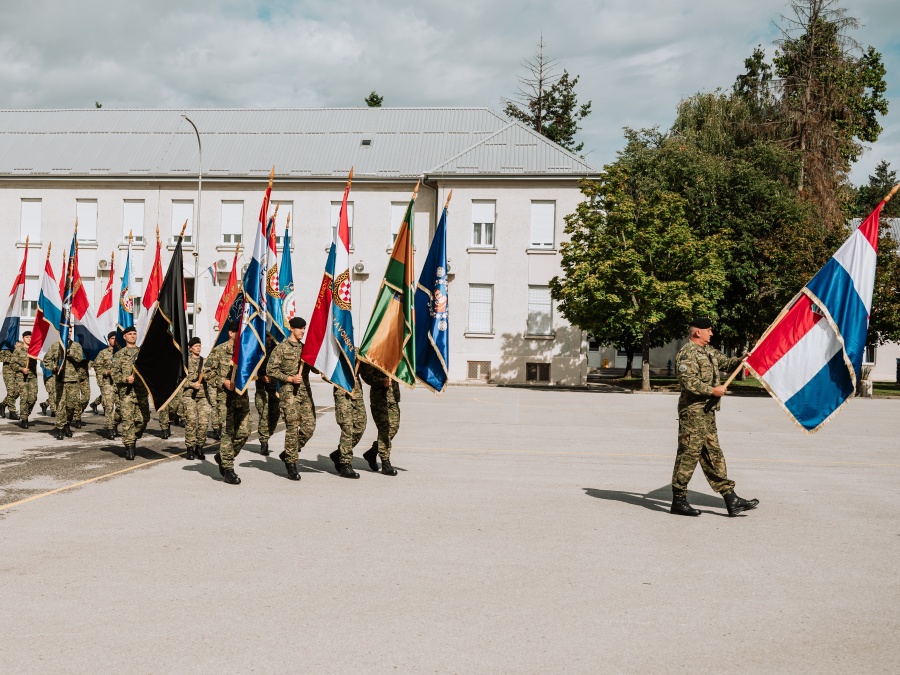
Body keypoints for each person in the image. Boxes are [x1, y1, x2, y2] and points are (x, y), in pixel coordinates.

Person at [671, 317, 759, 517]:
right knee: (688, 455)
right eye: (708, 330)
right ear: (697, 332)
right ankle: (678, 500)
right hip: (693, 412)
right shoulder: (687, 354)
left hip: (707, 412)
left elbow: (726, 363)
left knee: (713, 454)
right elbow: (688, 382)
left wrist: (743, 359)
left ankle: (731, 499)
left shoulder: (708, 351)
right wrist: (712, 390)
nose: (711, 334)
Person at [266, 316, 316, 481]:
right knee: (292, 427)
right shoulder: (281, 349)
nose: (302, 331)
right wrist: (289, 378)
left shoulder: (305, 349)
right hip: (289, 393)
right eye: (299, 328)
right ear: (292, 329)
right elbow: (271, 370)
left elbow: (315, 369)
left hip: (305, 393)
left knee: (309, 427)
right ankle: (291, 463)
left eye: (304, 328)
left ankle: (289, 451)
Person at [206, 321, 248, 485]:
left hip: (241, 399)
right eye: (238, 332)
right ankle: (228, 470)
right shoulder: (219, 351)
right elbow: (207, 374)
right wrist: (222, 381)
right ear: (231, 333)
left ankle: (222, 457)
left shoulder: (245, 351)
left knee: (244, 432)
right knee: (227, 434)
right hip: (224, 400)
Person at [112, 325, 150, 460]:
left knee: (143, 419)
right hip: (126, 393)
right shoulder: (119, 355)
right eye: (130, 334)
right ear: (124, 337)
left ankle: (133, 437)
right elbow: (114, 375)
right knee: (128, 421)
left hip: (141, 392)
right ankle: (129, 446)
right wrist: (125, 378)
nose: (133, 336)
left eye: (134, 334)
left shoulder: (143, 354)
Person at [359, 361, 400, 476]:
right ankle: (385, 462)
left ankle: (372, 452)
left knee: (394, 428)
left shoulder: (394, 352)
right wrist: (382, 382)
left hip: (393, 398)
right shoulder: (373, 352)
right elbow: (366, 376)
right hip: (380, 398)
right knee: (384, 430)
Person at [45, 337, 85, 440]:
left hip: (73, 380)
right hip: (59, 380)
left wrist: (69, 353)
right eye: (67, 330)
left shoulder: (76, 346)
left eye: (70, 331)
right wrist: (55, 367)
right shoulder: (55, 345)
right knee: (60, 406)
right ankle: (60, 428)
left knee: (71, 406)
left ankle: (67, 424)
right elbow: (46, 360)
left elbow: (80, 358)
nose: (69, 332)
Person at [329, 372, 366, 479]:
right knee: (347, 426)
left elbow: (366, 371)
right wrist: (338, 377)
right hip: (341, 388)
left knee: (360, 426)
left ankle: (338, 453)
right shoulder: (335, 354)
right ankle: (345, 464)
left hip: (356, 390)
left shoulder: (357, 353)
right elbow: (326, 371)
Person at [182, 336, 209, 460]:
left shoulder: (205, 361)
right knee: (191, 421)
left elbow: (211, 376)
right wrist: (192, 384)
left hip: (203, 396)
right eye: (196, 346)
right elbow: (180, 380)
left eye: (200, 346)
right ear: (190, 348)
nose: (199, 348)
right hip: (189, 396)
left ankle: (200, 446)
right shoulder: (185, 362)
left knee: (203, 422)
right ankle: (190, 448)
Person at [254, 334, 280, 456]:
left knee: (274, 415)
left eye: (270, 337)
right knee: (264, 414)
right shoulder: (257, 351)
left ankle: (267, 435)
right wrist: (261, 377)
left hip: (275, 388)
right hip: (262, 389)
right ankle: (264, 442)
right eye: (267, 337)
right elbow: (250, 371)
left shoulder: (278, 350)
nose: (268, 339)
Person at [92, 332, 120, 439]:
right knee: (108, 407)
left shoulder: (122, 352)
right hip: (108, 384)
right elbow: (97, 366)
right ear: (109, 340)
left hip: (120, 384)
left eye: (116, 338)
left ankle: (115, 423)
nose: (114, 340)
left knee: (121, 409)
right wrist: (106, 372)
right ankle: (110, 429)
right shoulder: (103, 353)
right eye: (112, 338)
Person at [9, 332, 38, 428]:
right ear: (23, 338)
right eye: (27, 337)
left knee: (33, 398)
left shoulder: (34, 350)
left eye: (30, 337)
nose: (29, 339)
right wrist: (21, 369)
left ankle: (25, 414)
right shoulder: (18, 350)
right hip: (21, 377)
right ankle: (24, 419)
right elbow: (12, 364)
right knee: (24, 398)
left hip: (32, 377)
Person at [1, 340, 21, 419]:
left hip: (19, 371)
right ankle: (12, 412)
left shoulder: (20, 344)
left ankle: (3, 404)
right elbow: (1, 357)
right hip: (8, 371)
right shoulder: (4, 345)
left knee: (18, 391)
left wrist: (18, 349)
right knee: (11, 391)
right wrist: (12, 358)